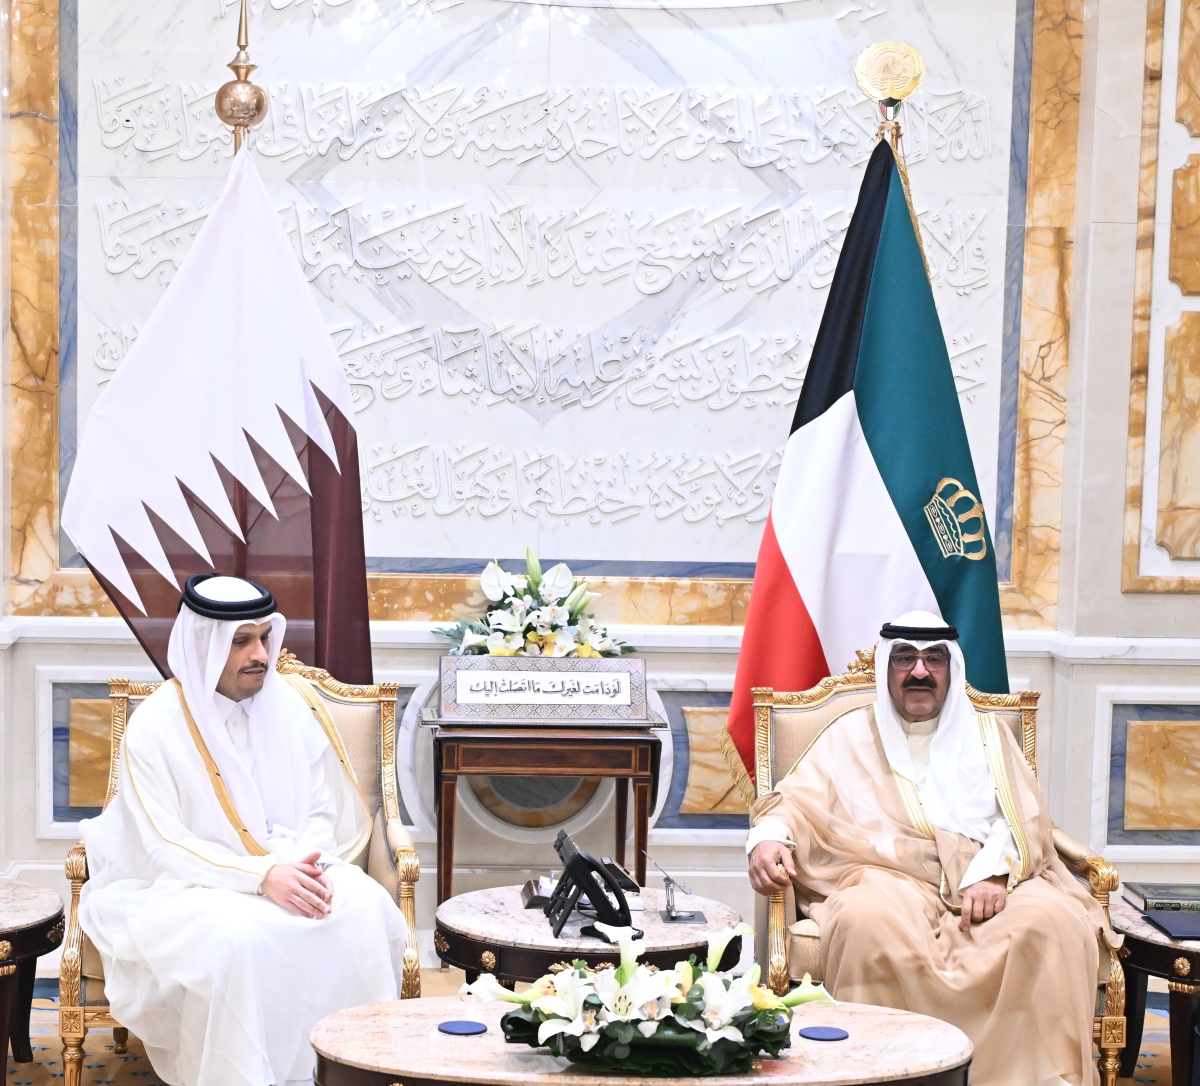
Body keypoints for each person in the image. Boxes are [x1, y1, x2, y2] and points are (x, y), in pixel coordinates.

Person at [747, 610, 1111, 1086]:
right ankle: (884, 1077)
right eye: (905, 658)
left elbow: (1025, 816)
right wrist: (768, 836)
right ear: (886, 668)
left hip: (987, 871)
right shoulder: (849, 734)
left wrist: (995, 871)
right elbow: (794, 801)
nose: (919, 671)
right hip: (886, 874)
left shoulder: (987, 734)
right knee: (863, 921)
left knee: (1051, 921)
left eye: (933, 659)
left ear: (951, 668)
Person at [78, 574, 408, 1086]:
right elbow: (165, 844)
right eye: (241, 642)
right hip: (188, 886)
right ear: (203, 645)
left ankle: (352, 1073)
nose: (261, 655)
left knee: (364, 908)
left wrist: (301, 867)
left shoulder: (290, 706)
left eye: (264, 638)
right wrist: (260, 877)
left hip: (292, 866)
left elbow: (320, 811)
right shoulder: (157, 724)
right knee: (238, 939)